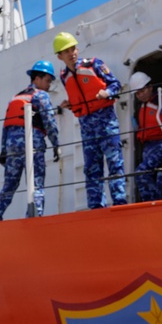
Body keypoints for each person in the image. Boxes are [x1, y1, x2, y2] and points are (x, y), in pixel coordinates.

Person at [54, 31, 127, 209]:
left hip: (105, 121)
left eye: (73, 48)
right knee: (92, 169)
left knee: (114, 163)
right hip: (86, 126)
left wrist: (106, 93)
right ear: (60, 56)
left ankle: (120, 204)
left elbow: (115, 84)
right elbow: (79, 95)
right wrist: (71, 104)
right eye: (67, 51)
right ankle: (96, 208)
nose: (72, 53)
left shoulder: (94, 64)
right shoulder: (64, 76)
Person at [0, 60, 61, 221]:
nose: (49, 85)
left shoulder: (15, 98)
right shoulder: (41, 95)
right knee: (36, 184)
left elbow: (6, 126)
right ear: (37, 79)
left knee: (9, 185)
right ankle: (34, 218)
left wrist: (3, 151)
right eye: (47, 80)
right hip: (33, 146)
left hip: (12, 148)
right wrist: (56, 145)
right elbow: (49, 122)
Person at [130, 72, 162, 202]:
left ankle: (153, 202)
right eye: (137, 93)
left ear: (150, 87)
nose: (141, 95)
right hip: (147, 147)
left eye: (142, 90)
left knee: (141, 173)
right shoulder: (139, 107)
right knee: (153, 174)